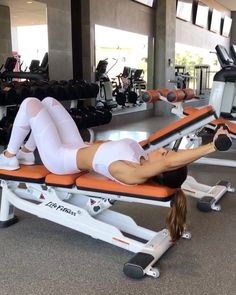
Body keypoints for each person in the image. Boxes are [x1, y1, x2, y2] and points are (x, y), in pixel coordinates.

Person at [0, 97, 229, 243]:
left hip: (60, 158)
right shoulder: (140, 159)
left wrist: (212, 146)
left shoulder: (131, 172)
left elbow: (170, 163)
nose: (164, 151)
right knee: (49, 101)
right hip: (76, 145)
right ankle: (27, 152)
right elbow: (170, 162)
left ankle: (9, 156)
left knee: (30, 103)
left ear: (159, 170)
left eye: (166, 154)